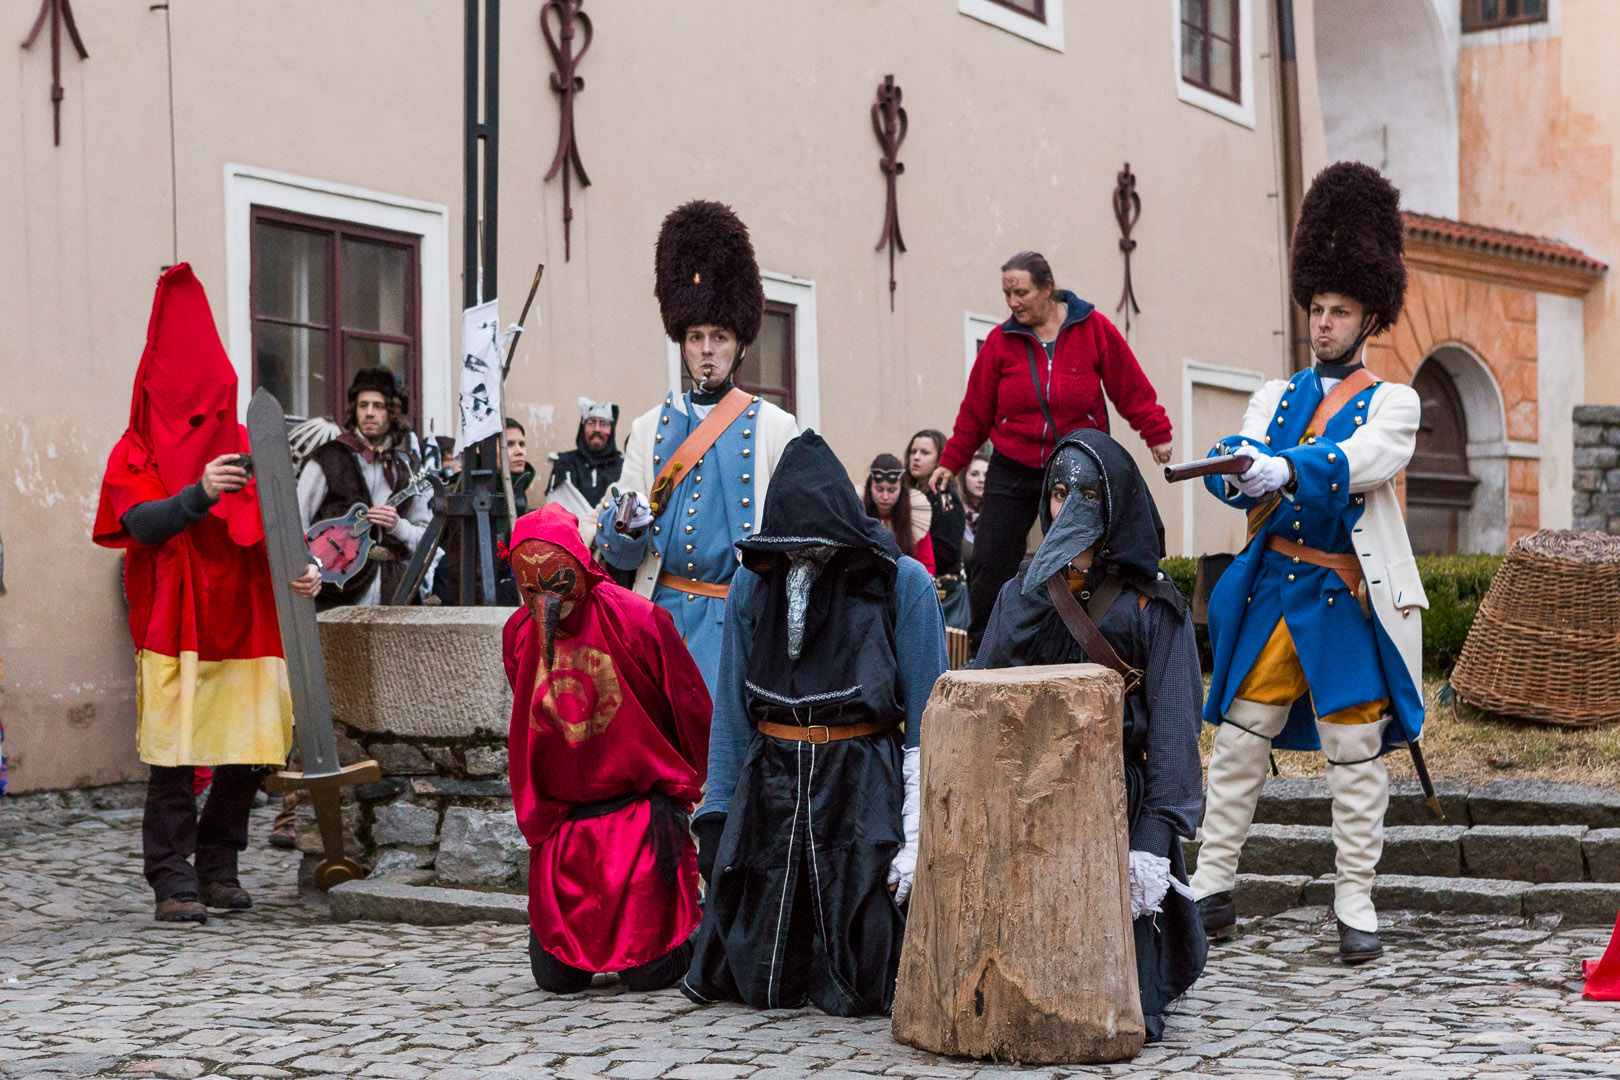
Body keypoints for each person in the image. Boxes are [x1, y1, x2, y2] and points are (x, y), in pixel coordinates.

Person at [1190, 163, 1426, 965]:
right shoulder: (1274, 392)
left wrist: (1287, 468)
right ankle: (1210, 885)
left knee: (1353, 752)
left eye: (1340, 311)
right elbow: (1245, 453)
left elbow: (1362, 458)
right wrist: (1237, 464)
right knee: (1239, 738)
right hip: (1272, 592)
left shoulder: (1396, 402)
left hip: (1340, 594)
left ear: (1368, 318)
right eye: (1318, 309)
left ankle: (1354, 898)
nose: (1323, 323)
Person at [682, 431, 948, 1017]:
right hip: (770, 788)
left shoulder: (902, 583)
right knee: (760, 971)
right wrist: (717, 812)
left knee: (867, 968)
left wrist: (920, 824)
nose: (802, 561)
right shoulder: (756, 581)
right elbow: (731, 710)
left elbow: (933, 720)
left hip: (861, 787)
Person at [92, 264, 321, 924]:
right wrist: (198, 493)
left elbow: (282, 525)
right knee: (175, 754)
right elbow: (142, 523)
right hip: (177, 620)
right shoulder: (133, 449)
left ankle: (220, 865)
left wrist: (304, 569)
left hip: (248, 616)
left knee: (248, 752)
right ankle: (171, 876)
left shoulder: (249, 443)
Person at [973, 428, 1206, 1043]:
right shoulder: (1018, 592)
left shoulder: (1154, 608)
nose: (1067, 507)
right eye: (1057, 494)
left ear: (1115, 505)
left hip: (1114, 804)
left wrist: (1154, 839)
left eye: (1086, 496)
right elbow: (984, 690)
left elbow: (1178, 732)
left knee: (1119, 991)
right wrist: (1037, 589)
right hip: (1029, 802)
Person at [504, 503, 711, 992]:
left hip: (638, 819)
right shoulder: (517, 636)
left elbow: (689, 704)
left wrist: (686, 787)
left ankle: (697, 920)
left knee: (651, 971)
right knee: (556, 978)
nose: (547, 605)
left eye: (556, 585)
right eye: (530, 590)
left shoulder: (639, 620)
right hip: (567, 832)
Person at [596, 201, 799, 695]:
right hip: (658, 617)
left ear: (740, 345)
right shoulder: (648, 429)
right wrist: (623, 526)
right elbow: (618, 549)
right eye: (696, 337)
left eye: (720, 336)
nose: (707, 349)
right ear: (682, 343)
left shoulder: (776, 427)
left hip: (735, 623)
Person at [928, 251, 1174, 645]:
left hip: (1075, 466)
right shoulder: (999, 342)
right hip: (1013, 464)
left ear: (1047, 288)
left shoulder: (1093, 330)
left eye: (1021, 292)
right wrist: (950, 460)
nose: (1013, 302)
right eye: (1007, 293)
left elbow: (1129, 385)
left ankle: (1081, 642)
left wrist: (1156, 431)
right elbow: (975, 410)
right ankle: (984, 650)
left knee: (1082, 560)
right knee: (990, 565)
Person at [297, 367, 431, 608]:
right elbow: (296, 521)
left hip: (395, 593)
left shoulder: (407, 466)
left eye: (378, 406)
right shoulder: (328, 458)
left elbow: (426, 540)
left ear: (392, 412)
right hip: (336, 591)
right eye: (363, 405)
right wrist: (307, 567)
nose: (369, 413)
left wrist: (397, 526)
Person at [906, 429, 968, 629]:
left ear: (939, 458)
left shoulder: (943, 497)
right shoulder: (910, 493)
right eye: (913, 452)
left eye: (924, 453)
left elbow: (948, 551)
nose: (915, 457)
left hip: (939, 590)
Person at [864, 453, 934, 574]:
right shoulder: (858, 516)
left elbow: (927, 565)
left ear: (901, 490)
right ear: (870, 488)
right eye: (879, 489)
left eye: (892, 490)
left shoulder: (915, 519)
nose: (885, 496)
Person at [960, 448, 990, 563]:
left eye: (986, 475)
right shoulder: (956, 511)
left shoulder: (997, 514)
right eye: (974, 474)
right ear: (964, 477)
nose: (981, 480)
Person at [504, 418, 537, 508]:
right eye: (509, 444)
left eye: (522, 444)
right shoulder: (475, 488)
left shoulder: (520, 484)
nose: (520, 451)